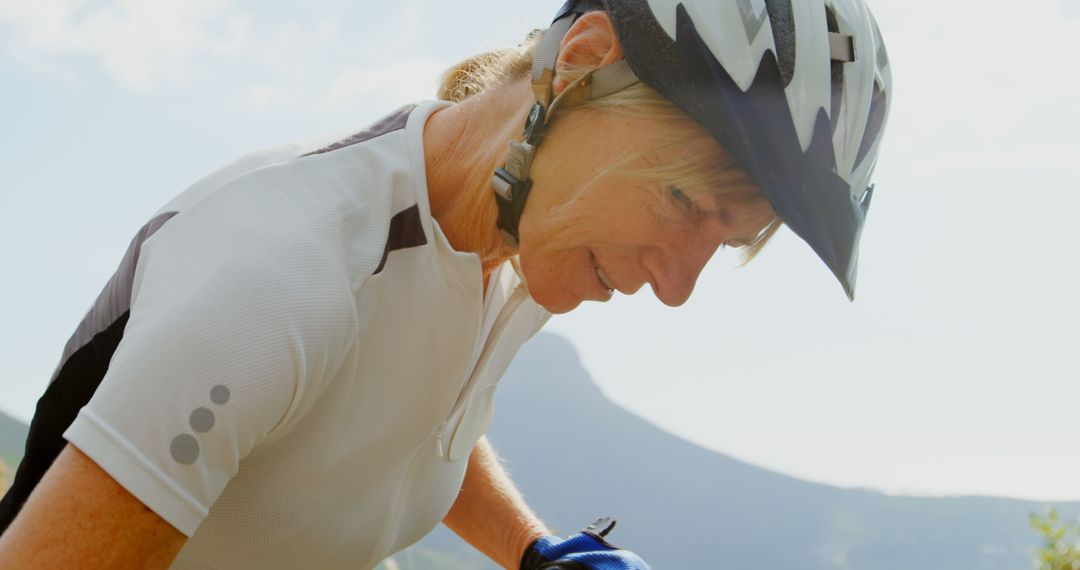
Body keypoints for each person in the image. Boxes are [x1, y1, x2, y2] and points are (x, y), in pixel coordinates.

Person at [0, 0, 891, 568]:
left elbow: (414, 418)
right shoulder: (276, 280)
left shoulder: (521, 251)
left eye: (723, 240)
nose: (675, 288)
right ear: (578, 63)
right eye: (681, 200)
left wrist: (535, 554)